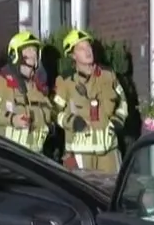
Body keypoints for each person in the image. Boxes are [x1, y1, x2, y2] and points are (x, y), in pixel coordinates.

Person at [54, 29, 129, 172]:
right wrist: (71, 121)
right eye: (81, 48)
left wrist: (118, 120)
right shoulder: (65, 81)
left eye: (88, 46)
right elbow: (54, 112)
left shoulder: (108, 75)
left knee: (112, 192)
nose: (88, 51)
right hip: (80, 155)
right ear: (72, 55)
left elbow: (123, 102)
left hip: (109, 153)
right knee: (80, 194)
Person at [0, 32, 53, 155]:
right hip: (9, 156)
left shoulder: (40, 89)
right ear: (15, 54)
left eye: (35, 50)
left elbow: (50, 117)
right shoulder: (2, 81)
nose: (33, 53)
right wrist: (11, 119)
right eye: (27, 50)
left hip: (37, 155)